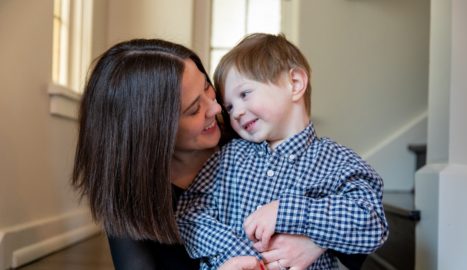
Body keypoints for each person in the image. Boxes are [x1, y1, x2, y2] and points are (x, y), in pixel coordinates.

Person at [71, 38, 312, 270]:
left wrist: (315, 242)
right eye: (195, 108)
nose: (217, 108)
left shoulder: (250, 138)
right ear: (153, 132)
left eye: (208, 87)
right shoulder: (128, 196)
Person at [176, 33, 389, 269]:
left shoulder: (338, 162)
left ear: (295, 83)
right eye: (229, 106)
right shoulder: (228, 158)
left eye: (244, 94)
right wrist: (235, 251)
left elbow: (372, 223)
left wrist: (288, 211)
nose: (235, 112)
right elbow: (189, 213)